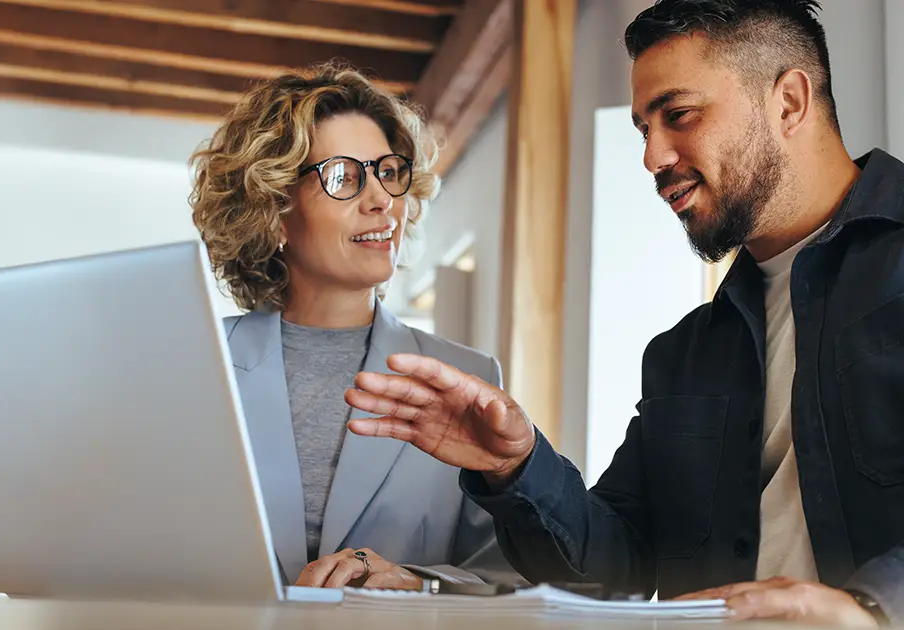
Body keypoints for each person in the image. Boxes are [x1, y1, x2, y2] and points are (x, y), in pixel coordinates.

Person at [344, 0, 902, 626]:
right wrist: (516, 466)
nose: (653, 158)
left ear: (790, 103)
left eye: (679, 115)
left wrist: (871, 609)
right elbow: (614, 570)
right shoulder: (684, 355)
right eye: (644, 129)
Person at [188, 63, 514, 590]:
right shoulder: (194, 365)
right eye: (344, 177)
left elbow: (510, 572)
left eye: (388, 172)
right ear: (274, 211)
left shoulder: (466, 376)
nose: (381, 200)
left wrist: (417, 582)